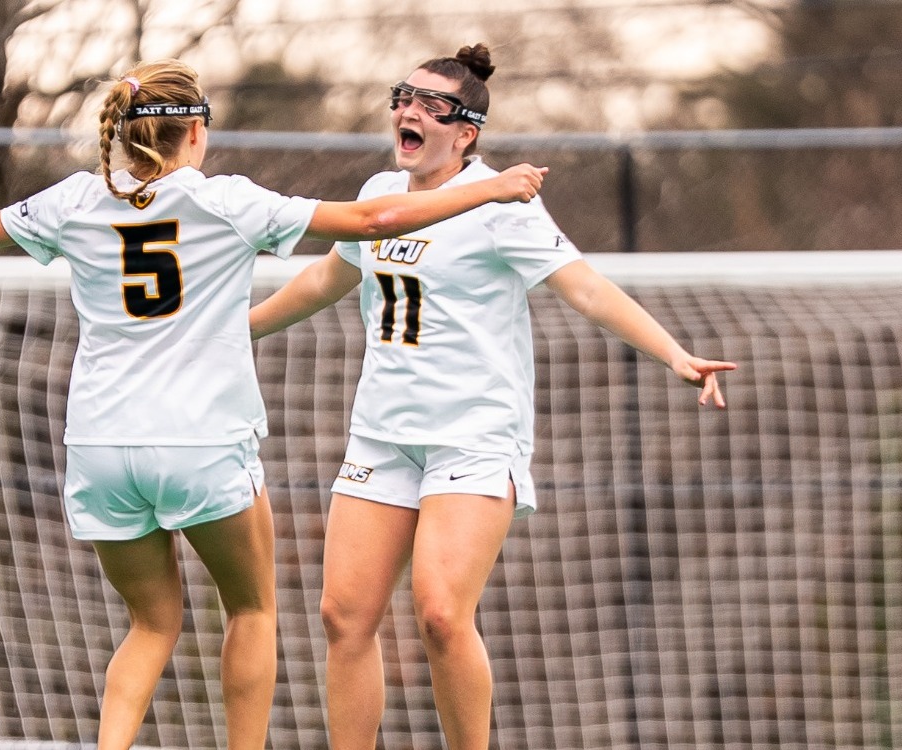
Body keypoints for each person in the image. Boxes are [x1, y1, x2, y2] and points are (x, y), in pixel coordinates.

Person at [0, 58, 552, 750]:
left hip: (100, 448)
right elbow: (374, 219)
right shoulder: (224, 201)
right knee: (251, 611)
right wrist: (492, 189)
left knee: (150, 624)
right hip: (201, 442)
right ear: (195, 131)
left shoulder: (72, 200)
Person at [249, 44, 737, 750]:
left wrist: (674, 353)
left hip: (473, 439)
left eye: (430, 105)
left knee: (441, 615)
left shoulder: (501, 204)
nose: (408, 111)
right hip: (381, 437)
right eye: (402, 97)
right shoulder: (378, 193)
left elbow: (585, 287)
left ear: (465, 133)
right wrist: (235, 330)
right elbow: (327, 278)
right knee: (342, 616)